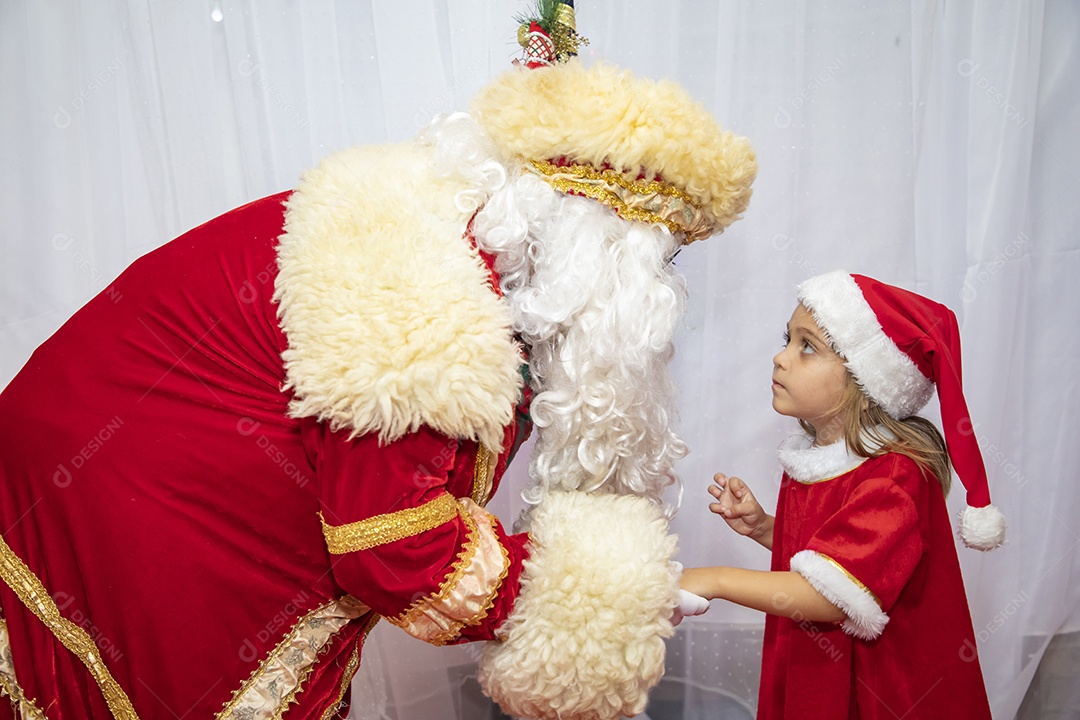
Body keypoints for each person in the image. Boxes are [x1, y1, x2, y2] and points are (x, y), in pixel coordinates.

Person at [0, 11, 758, 718]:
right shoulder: (423, 301)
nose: (666, 285)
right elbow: (395, 547)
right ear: (602, 239)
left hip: (111, 450)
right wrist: (615, 596)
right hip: (135, 488)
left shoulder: (464, 245)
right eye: (666, 255)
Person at [680, 270, 1006, 719]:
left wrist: (712, 579)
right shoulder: (816, 461)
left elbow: (831, 597)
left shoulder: (895, 476)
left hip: (886, 693)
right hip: (820, 670)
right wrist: (768, 529)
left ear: (865, 379)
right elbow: (833, 560)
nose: (780, 356)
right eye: (787, 339)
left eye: (807, 346)